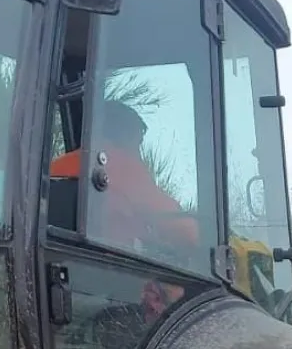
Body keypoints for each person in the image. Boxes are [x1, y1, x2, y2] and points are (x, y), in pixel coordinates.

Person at [50, 99, 199, 256]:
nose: (139, 151)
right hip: (108, 268)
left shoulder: (57, 166)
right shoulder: (125, 168)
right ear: (125, 136)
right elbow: (188, 234)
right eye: (138, 143)